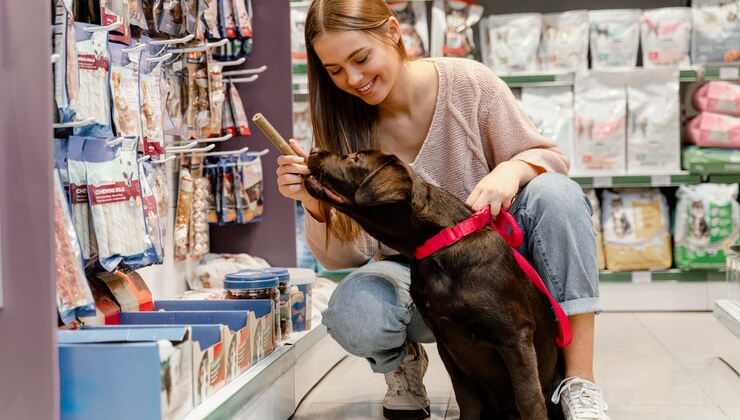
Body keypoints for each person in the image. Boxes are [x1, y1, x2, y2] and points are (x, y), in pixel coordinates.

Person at [275, 1, 610, 419]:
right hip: (417, 277)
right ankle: (403, 367)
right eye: (335, 70)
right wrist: (316, 204)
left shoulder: (467, 83)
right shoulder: (343, 127)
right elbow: (349, 256)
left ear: (393, 32)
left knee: (556, 194)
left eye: (360, 58)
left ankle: (578, 380)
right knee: (354, 312)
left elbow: (552, 159)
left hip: (497, 269)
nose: (353, 79)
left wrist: (513, 167)